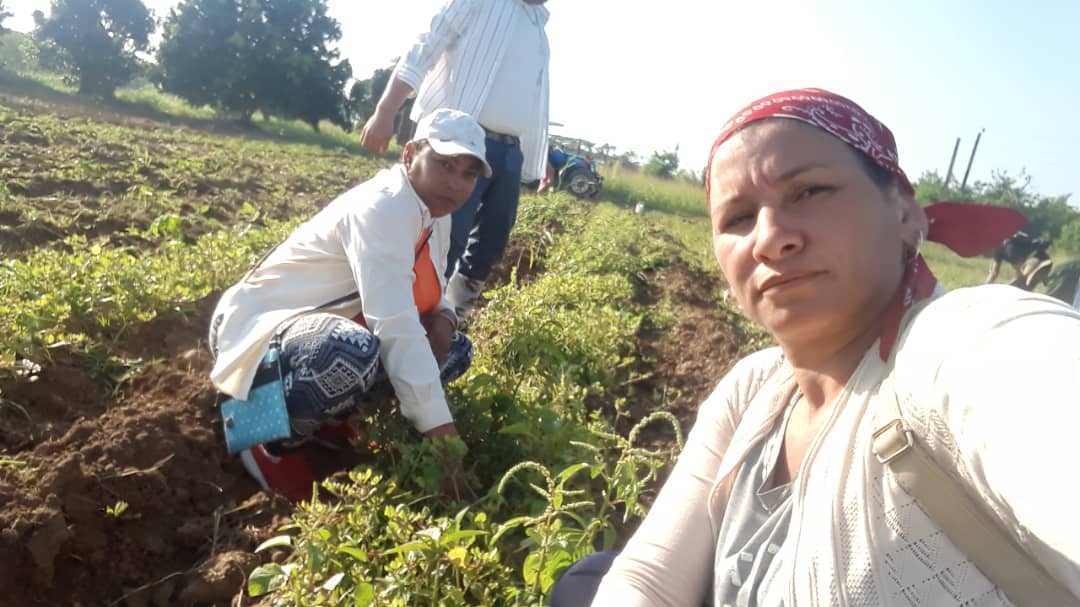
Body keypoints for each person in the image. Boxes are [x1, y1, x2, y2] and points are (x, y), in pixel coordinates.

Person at [550, 89, 1080, 606]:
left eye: (809, 192)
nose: (770, 237)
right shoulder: (752, 389)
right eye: (737, 219)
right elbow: (650, 579)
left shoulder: (969, 345)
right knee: (593, 579)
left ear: (905, 214)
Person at [209, 108, 490, 502]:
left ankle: (331, 422)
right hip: (258, 326)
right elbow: (396, 328)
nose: (456, 184)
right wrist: (447, 449)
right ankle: (263, 436)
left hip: (326, 322)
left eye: (469, 174)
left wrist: (444, 317)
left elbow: (429, 288)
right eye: (444, 164)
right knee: (346, 353)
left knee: (452, 351)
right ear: (409, 155)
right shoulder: (386, 208)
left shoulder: (433, 213)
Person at [360, 0, 554, 321]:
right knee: (443, 238)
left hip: (509, 151)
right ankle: (406, 318)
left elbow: (530, 98)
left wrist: (540, 152)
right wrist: (385, 110)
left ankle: (452, 315)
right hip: (457, 144)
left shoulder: (536, 24)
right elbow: (426, 46)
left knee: (491, 240)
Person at [986, 231, 1051, 288]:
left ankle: (1046, 277)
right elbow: (993, 273)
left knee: (1022, 280)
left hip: (1038, 256)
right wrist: (985, 287)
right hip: (1031, 257)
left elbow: (1021, 275)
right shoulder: (998, 250)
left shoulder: (1009, 249)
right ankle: (1045, 278)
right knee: (1018, 281)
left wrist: (1007, 286)